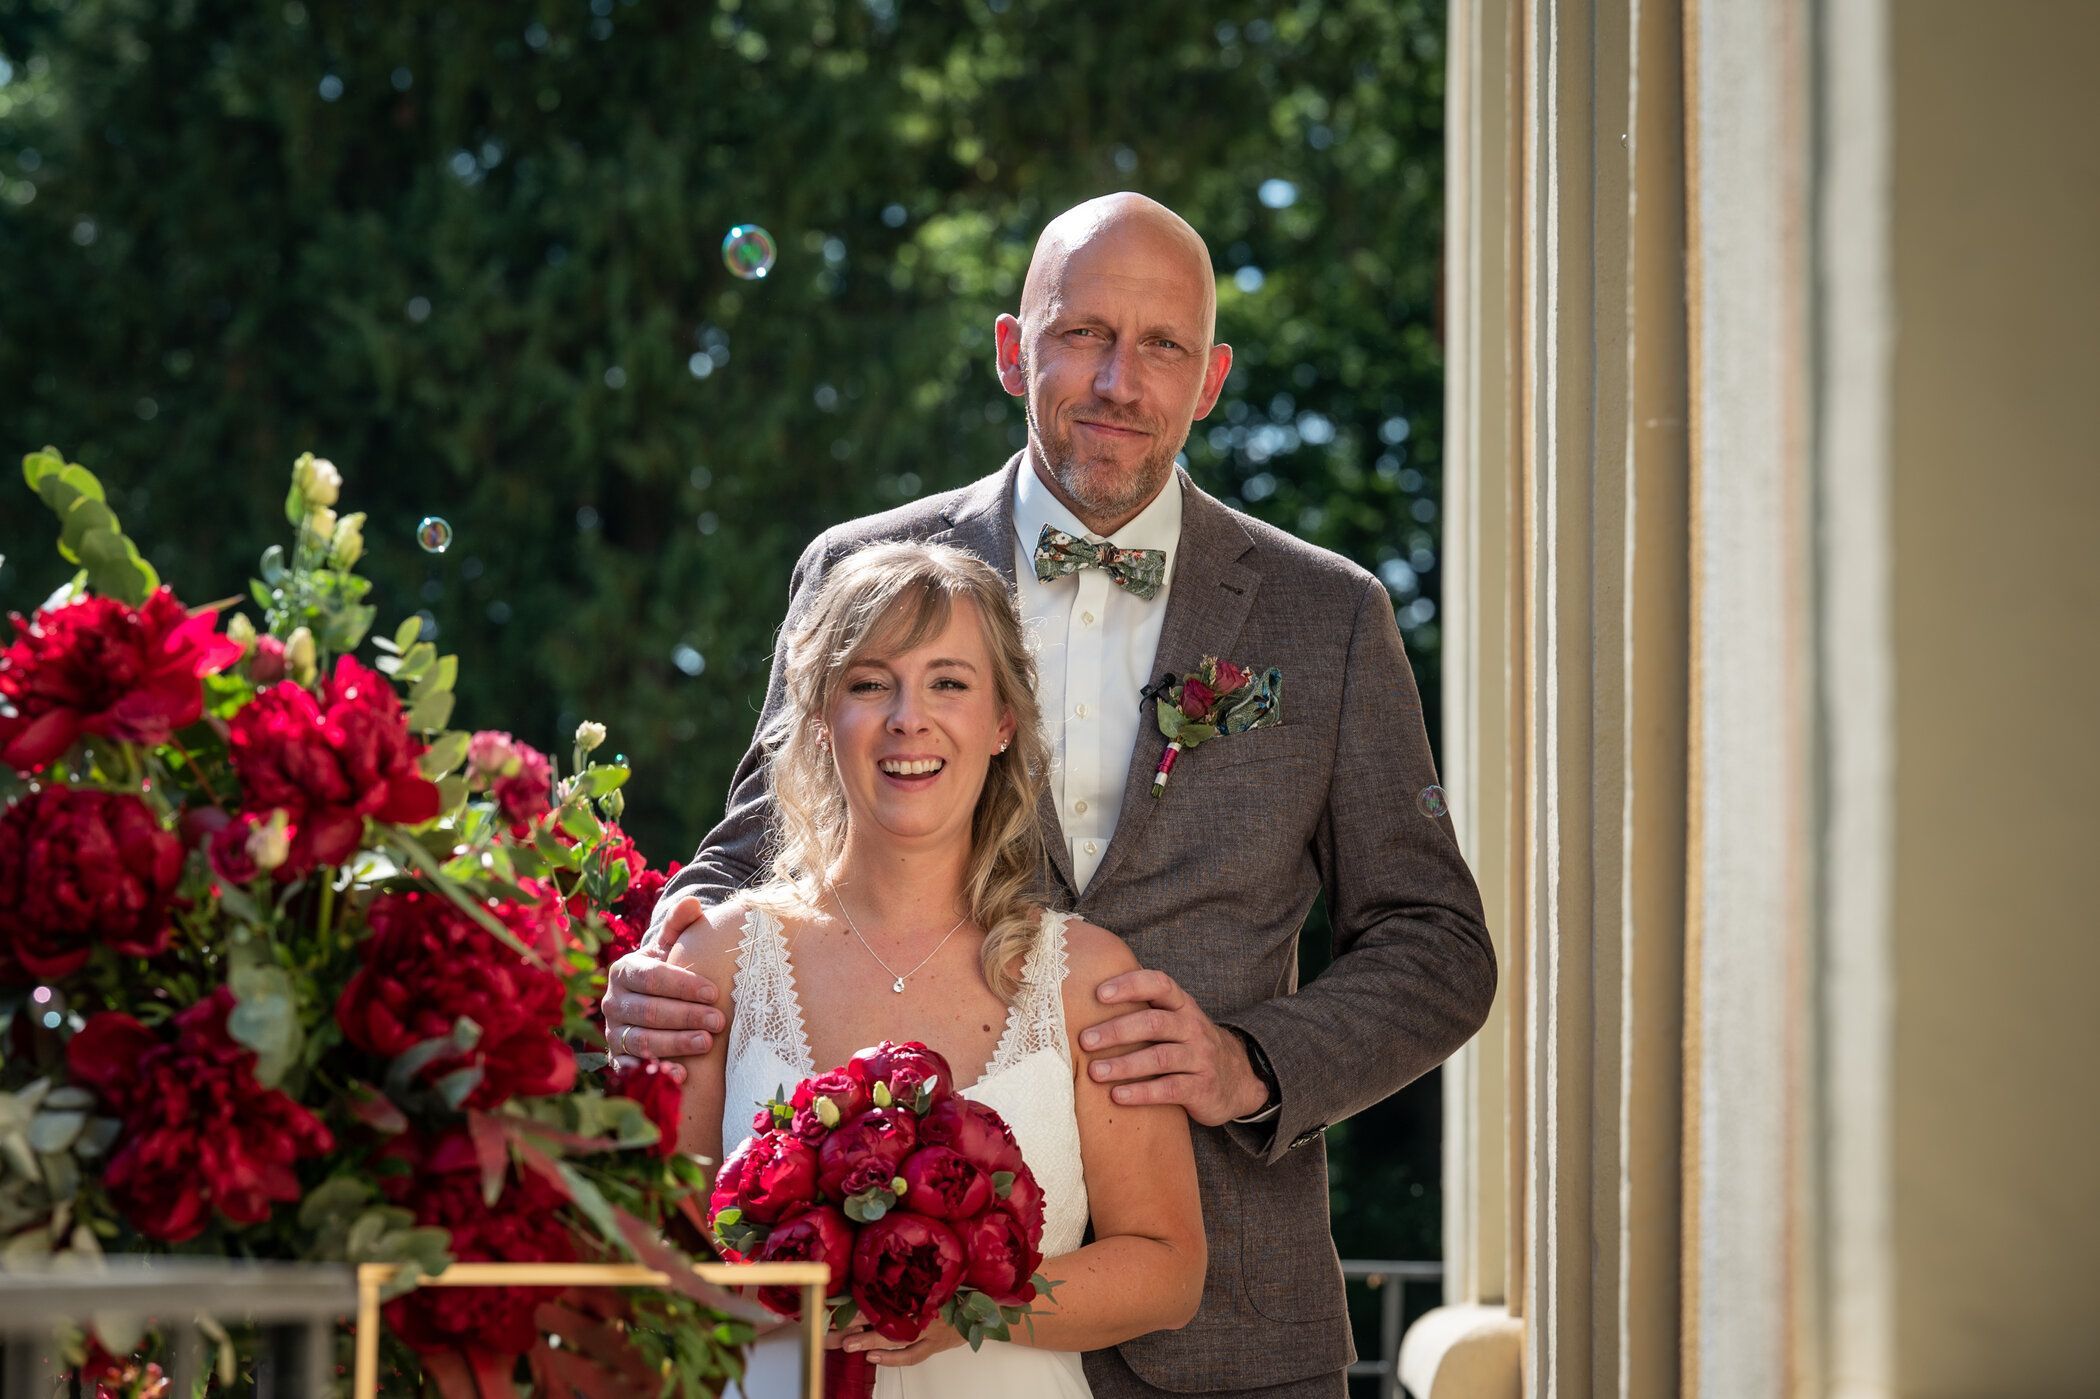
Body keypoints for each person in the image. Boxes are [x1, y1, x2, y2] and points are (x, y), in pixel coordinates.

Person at [607, 192, 1496, 1398]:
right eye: (1082, 334)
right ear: (1011, 347)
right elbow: (758, 846)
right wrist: (666, 959)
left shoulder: (1326, 614)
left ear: (1212, 378)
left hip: (1229, 1316)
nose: (1119, 379)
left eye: (1162, 346)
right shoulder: (860, 566)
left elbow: (1439, 944)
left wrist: (1252, 1064)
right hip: (887, 1310)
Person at [671, 540, 1203, 1396]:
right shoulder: (719, 960)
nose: (907, 718)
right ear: (818, 717)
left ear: (1002, 722)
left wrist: (954, 1300)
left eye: (948, 682)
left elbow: (1168, 1267)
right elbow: (659, 1247)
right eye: (869, 682)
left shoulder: (1085, 978)